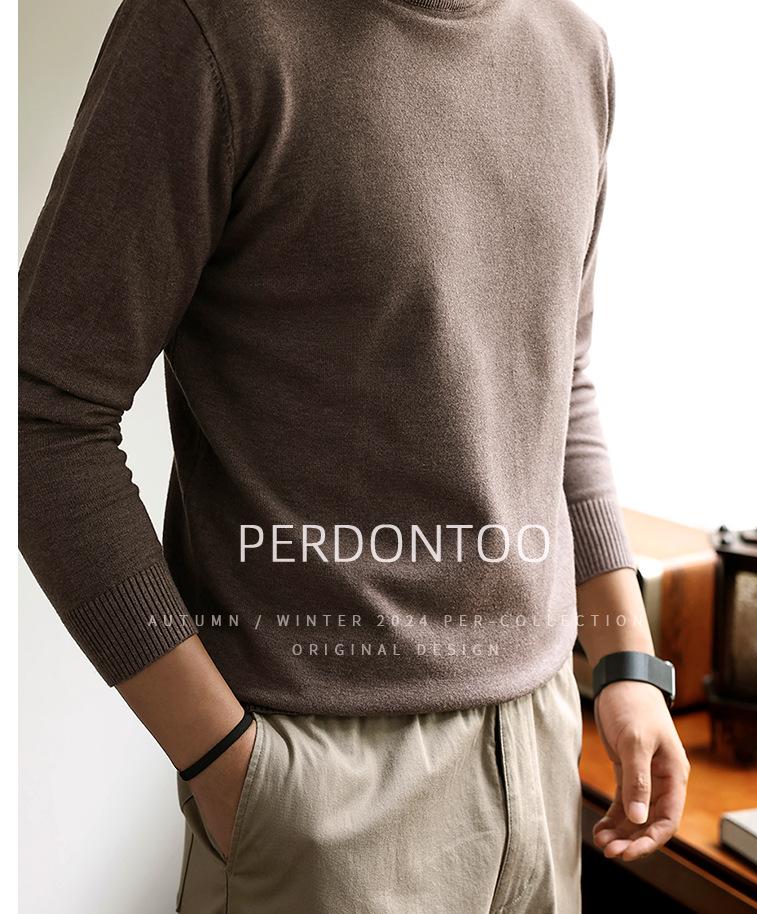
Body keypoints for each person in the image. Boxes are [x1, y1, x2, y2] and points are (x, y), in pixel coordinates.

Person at [18, 0, 690, 911]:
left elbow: (556, 383)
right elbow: (40, 414)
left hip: (540, 746)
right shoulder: (212, 30)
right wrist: (227, 767)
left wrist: (626, 664)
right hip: (322, 787)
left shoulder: (577, 53)